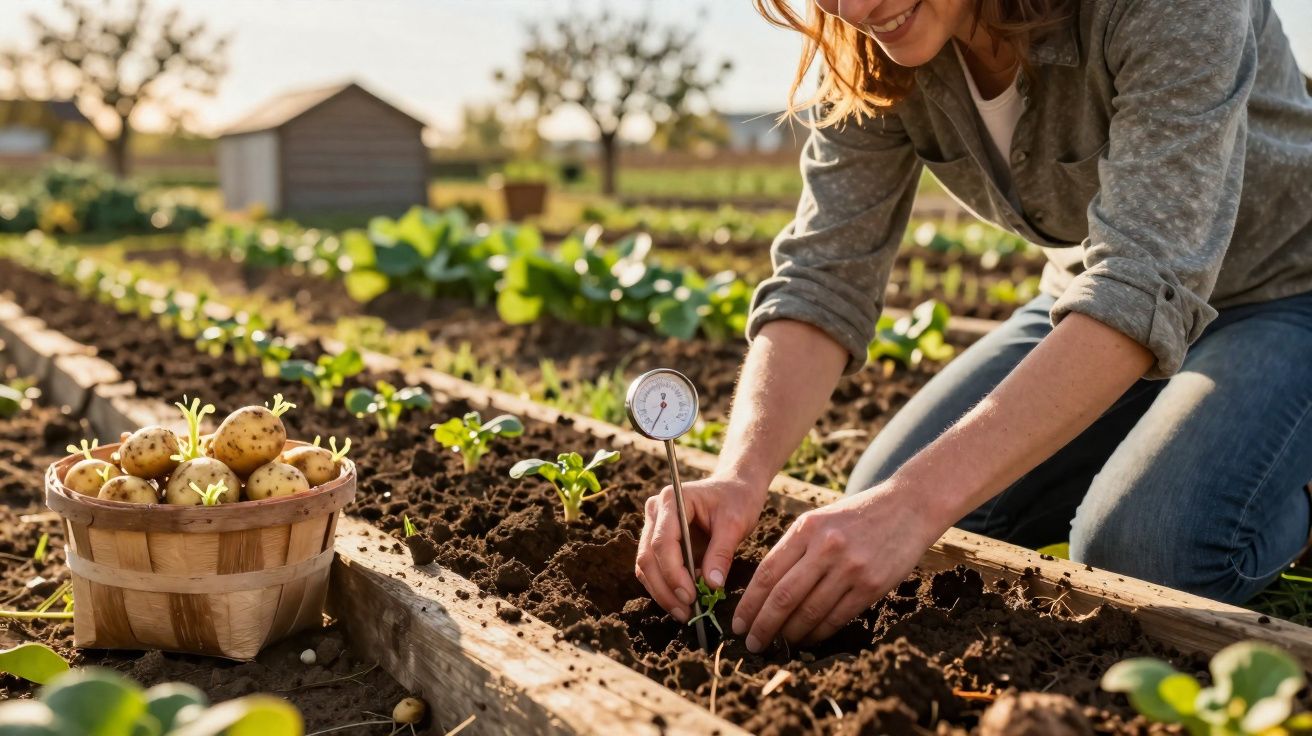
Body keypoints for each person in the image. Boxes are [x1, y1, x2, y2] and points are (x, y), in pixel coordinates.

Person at [634, 0, 1312, 655]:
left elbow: (1146, 279)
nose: (856, 9)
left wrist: (914, 504)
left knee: (1144, 551)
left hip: (1285, 288)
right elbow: (824, 273)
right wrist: (740, 477)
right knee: (892, 495)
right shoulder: (868, 46)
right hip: (1093, 299)